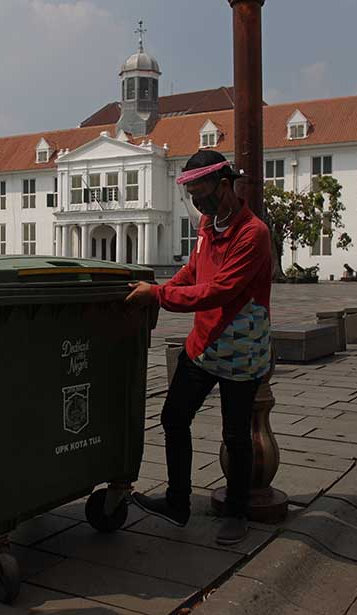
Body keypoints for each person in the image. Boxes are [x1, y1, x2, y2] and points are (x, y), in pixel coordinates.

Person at [125, 150, 271, 546]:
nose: (196, 202)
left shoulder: (253, 233)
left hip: (241, 346)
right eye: (190, 194)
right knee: (173, 417)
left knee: (236, 435)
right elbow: (194, 271)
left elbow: (220, 290)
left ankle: (237, 511)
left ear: (225, 186)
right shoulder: (209, 224)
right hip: (204, 344)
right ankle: (178, 502)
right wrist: (166, 286)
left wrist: (157, 295)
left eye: (201, 192)